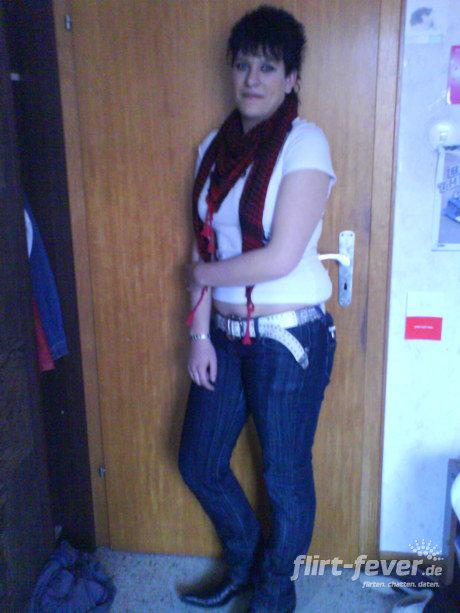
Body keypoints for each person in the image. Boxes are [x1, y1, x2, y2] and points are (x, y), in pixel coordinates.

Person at [177, 5, 337, 612]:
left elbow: (279, 257)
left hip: (289, 340)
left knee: (284, 479)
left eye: (268, 67)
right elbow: (204, 245)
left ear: (291, 78)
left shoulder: (305, 142)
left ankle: (274, 594)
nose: (252, 79)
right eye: (243, 65)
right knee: (199, 461)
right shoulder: (211, 149)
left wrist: (202, 276)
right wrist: (198, 334)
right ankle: (244, 561)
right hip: (222, 332)